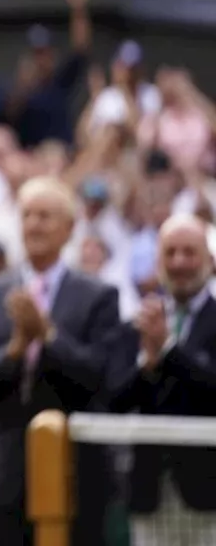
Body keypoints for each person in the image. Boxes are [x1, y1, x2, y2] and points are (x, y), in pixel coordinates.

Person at [0, 176, 119, 546]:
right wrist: (13, 349)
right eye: (27, 215)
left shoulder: (98, 296)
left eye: (45, 216)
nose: (34, 224)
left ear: (69, 228)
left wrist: (48, 335)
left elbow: (101, 377)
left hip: (77, 473)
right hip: (3, 475)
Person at [106, 214, 216, 546]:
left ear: (210, 261)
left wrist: (168, 349)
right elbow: (113, 399)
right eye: (170, 252)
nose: (179, 262)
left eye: (189, 252)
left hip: (209, 494)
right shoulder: (138, 324)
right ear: (157, 262)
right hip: (149, 491)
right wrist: (148, 365)